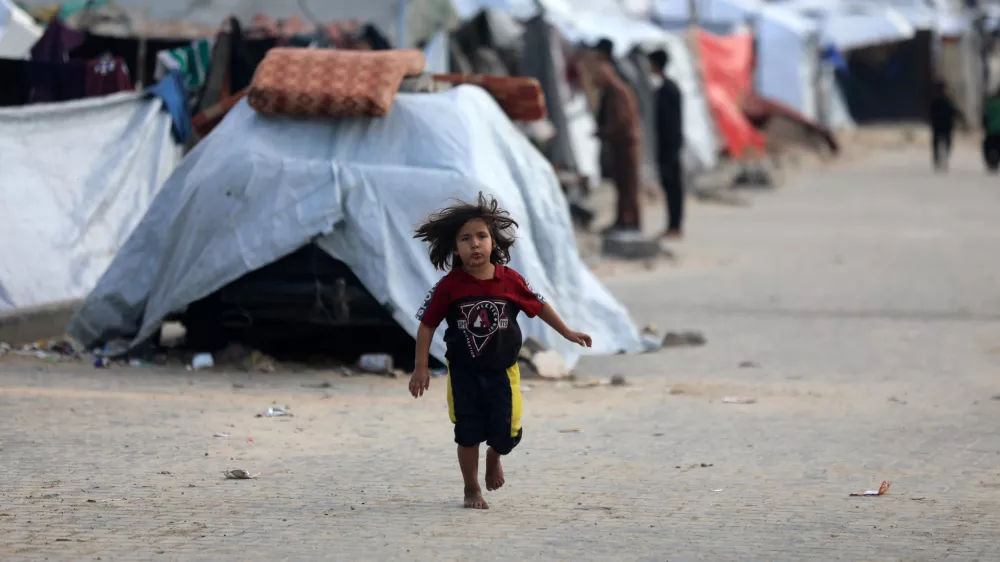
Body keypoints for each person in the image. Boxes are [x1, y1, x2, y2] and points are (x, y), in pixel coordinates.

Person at [409, 193, 593, 510]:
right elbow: (426, 325)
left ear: (493, 242)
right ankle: (471, 489)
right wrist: (421, 367)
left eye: (481, 236)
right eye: (466, 239)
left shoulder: (510, 281)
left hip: (503, 374)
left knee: (506, 434)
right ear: (455, 248)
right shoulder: (449, 286)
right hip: (463, 374)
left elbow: (540, 306)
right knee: (466, 433)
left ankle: (495, 457)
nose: (475, 244)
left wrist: (567, 332)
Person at [590, 54, 643, 232]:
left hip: (626, 145)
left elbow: (621, 121)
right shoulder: (611, 92)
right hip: (619, 145)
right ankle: (623, 220)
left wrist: (604, 132)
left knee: (629, 186)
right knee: (622, 186)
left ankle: (631, 222)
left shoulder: (618, 92)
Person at [648, 49, 685, 239]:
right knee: (670, 186)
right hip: (668, 145)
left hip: (669, 146)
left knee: (673, 187)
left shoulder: (667, 90)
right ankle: (673, 224)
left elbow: (669, 122)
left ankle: (675, 226)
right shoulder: (667, 88)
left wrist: (670, 147)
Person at [928, 81, 964, 171]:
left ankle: (938, 159)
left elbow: (931, 113)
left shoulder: (935, 100)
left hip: (938, 125)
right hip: (946, 126)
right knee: (946, 143)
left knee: (937, 143)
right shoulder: (947, 100)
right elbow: (954, 111)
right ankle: (942, 158)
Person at [982, 87, 1000, 171]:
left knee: (988, 146)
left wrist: (985, 126)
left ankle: (990, 161)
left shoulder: (990, 103)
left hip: (991, 131)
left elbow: (985, 117)